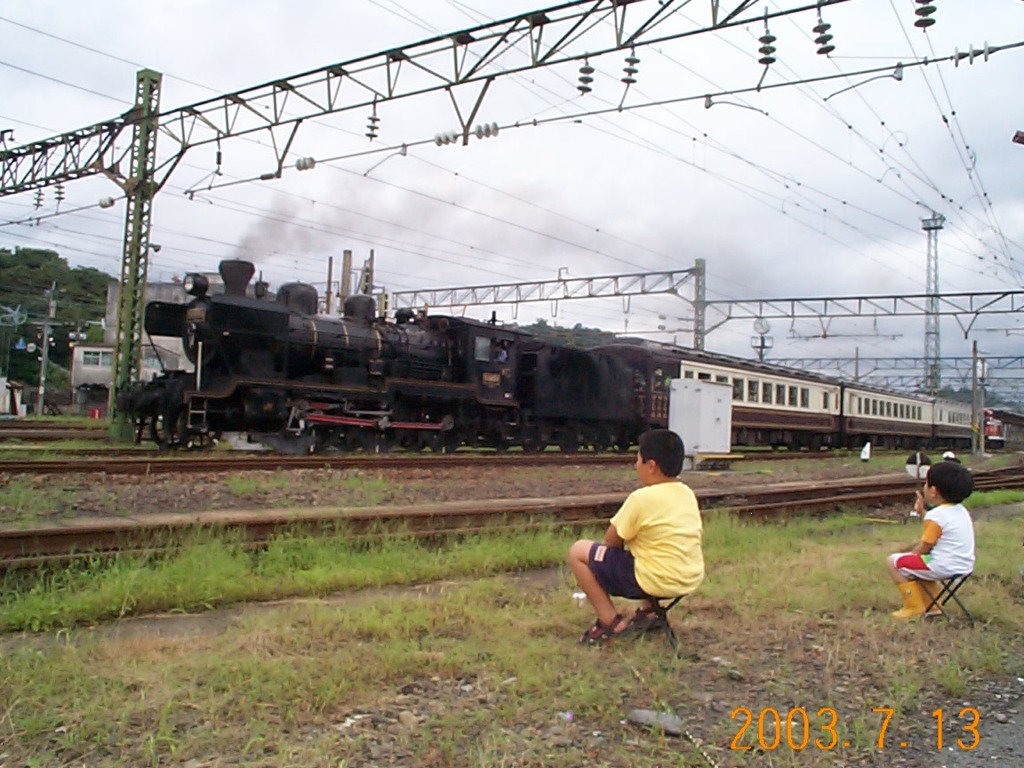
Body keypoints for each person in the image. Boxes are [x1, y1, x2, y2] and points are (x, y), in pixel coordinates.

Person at [567, 429, 704, 644]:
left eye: (638, 458)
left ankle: (610, 622)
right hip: (687, 577)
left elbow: (611, 541)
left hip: (656, 580)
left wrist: (605, 565)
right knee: (651, 552)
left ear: (651, 466)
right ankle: (649, 613)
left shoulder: (641, 498)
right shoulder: (686, 493)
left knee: (578, 551)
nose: (635, 464)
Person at [886, 461, 975, 619]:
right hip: (964, 565)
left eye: (926, 483)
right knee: (922, 565)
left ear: (933, 491)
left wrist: (912, 555)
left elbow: (926, 544)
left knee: (893, 561)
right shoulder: (961, 511)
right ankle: (932, 607)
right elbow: (938, 526)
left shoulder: (937, 516)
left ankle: (913, 606)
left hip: (942, 565)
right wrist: (922, 511)